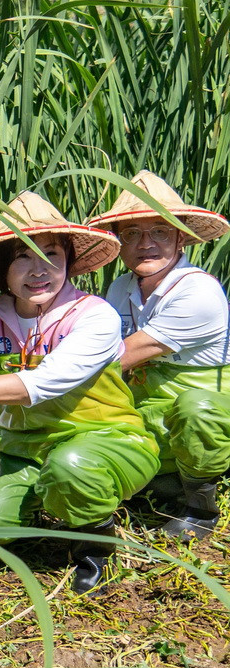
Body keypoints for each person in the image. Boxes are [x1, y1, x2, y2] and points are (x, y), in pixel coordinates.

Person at [0, 192, 160, 593]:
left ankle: (95, 546)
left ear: (68, 262)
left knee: (71, 466)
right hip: (21, 449)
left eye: (51, 255)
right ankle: (34, 508)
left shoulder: (93, 316)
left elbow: (40, 384)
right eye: (23, 257)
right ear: (3, 269)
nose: (39, 270)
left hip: (106, 441)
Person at [86, 170, 230, 540]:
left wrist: (34, 386)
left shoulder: (198, 292)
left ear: (181, 237)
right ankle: (167, 481)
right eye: (132, 233)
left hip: (207, 407)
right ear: (118, 241)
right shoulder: (121, 287)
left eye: (159, 231)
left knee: (195, 409)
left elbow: (116, 357)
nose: (145, 243)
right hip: (150, 405)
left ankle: (200, 507)